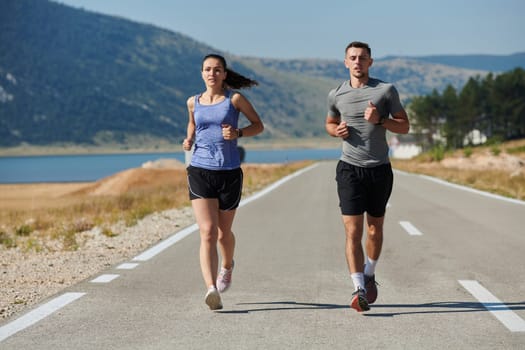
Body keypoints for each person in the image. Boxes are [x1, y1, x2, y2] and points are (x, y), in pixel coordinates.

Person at [325, 41, 410, 312]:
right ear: (345, 62)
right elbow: (329, 122)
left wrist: (380, 121)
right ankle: (359, 288)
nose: (358, 62)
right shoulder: (336, 94)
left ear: (370, 62)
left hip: (379, 170)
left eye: (362, 58)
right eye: (353, 58)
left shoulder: (385, 90)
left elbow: (405, 126)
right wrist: (334, 130)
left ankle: (370, 272)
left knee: (374, 228)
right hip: (349, 168)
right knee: (353, 231)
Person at [182, 54, 263, 310]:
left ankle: (227, 265)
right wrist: (189, 140)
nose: (212, 74)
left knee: (222, 233)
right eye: (207, 69)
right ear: (201, 73)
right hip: (199, 169)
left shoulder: (234, 100)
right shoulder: (193, 102)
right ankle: (211, 289)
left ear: (224, 74)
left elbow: (258, 126)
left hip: (229, 172)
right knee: (207, 232)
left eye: (217, 70)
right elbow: (193, 125)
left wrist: (238, 133)